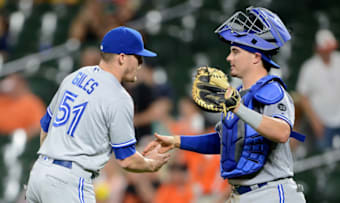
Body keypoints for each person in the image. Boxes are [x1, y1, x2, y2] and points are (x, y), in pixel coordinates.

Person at [144, 7, 306, 203]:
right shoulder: (238, 96)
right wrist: (177, 141)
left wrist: (238, 109)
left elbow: (282, 132)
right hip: (243, 194)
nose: (229, 58)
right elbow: (224, 141)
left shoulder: (272, 90)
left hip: (272, 193)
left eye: (235, 51)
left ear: (256, 56)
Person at [25, 26, 170, 203]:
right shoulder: (119, 96)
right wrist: (151, 164)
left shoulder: (75, 76)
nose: (141, 64)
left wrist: (50, 165)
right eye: (138, 57)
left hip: (39, 173)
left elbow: (45, 127)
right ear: (122, 58)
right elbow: (127, 160)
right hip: (68, 181)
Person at [296, 29, 340, 152]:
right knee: (324, 154)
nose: (327, 52)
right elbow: (303, 97)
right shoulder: (309, 68)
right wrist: (315, 121)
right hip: (322, 121)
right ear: (318, 49)